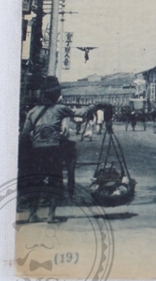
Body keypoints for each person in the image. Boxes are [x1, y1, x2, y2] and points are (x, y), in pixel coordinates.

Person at [19, 76, 105, 223]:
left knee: (36, 182)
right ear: (55, 94)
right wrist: (95, 105)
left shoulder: (33, 111)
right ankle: (51, 216)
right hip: (53, 151)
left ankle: (33, 214)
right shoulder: (60, 109)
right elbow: (82, 114)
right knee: (55, 181)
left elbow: (24, 135)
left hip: (36, 151)